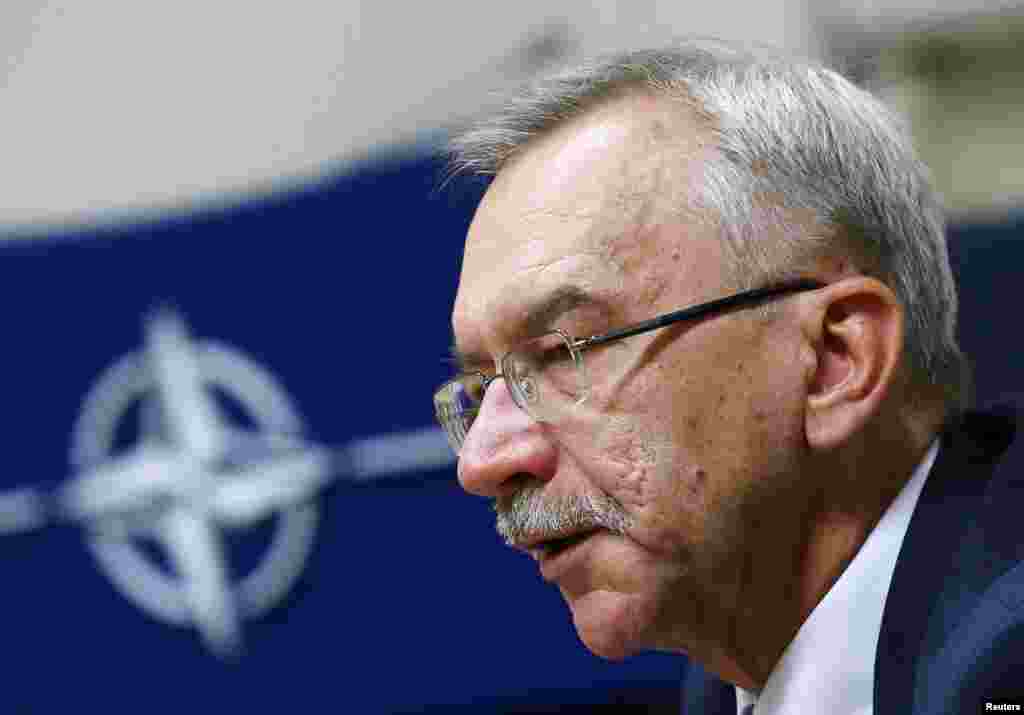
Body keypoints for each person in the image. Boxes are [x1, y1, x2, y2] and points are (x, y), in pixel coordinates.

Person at [432, 38, 1023, 714]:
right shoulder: (730, 673)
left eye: (565, 350)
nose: (481, 461)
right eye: (481, 388)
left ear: (836, 359)